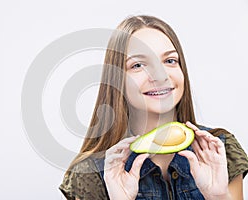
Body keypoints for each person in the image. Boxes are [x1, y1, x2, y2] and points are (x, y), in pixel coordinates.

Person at [59, 15, 248, 200]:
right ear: (117, 80)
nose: (160, 75)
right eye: (138, 65)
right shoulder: (89, 174)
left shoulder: (219, 148)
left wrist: (218, 197)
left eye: (170, 61)